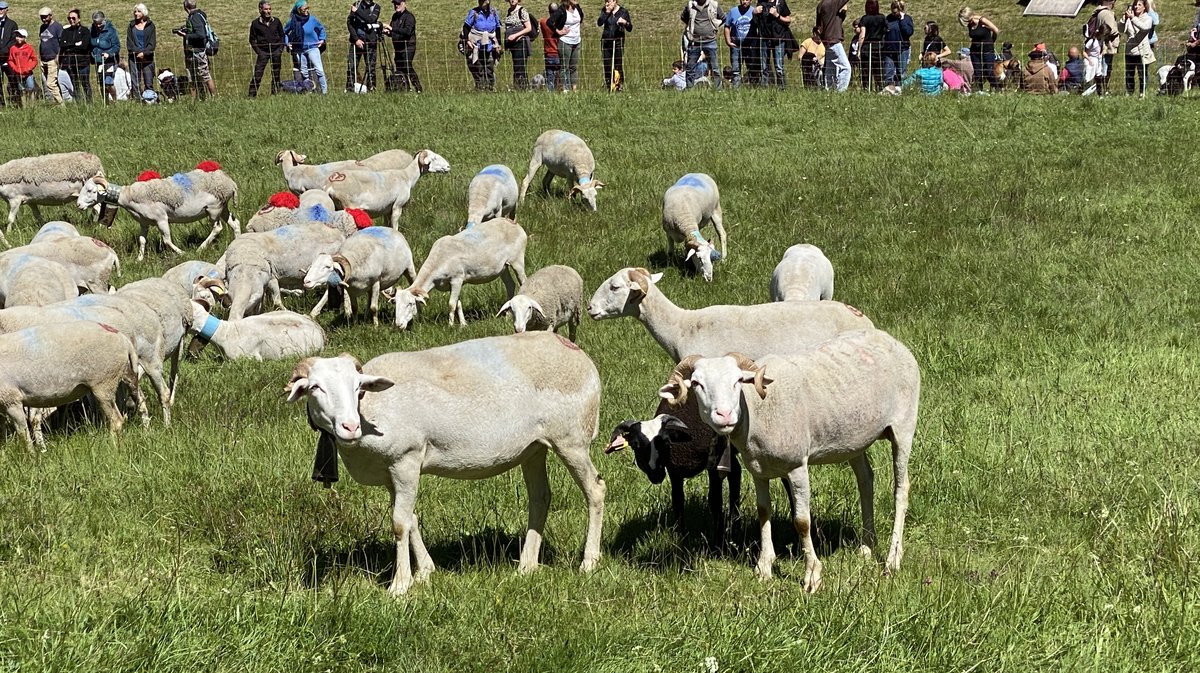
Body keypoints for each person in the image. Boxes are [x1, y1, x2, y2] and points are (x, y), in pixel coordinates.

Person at [175, 0, 216, 99]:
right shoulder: (196, 16)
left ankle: (215, 98)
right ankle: (197, 100)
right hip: (192, 52)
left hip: (198, 52)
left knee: (205, 76)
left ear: (185, 6)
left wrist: (185, 35)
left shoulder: (195, 17)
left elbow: (200, 35)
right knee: (192, 78)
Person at [284, 1, 327, 94]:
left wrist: (322, 39)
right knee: (304, 72)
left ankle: (324, 92)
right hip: (299, 49)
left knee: (319, 70)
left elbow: (321, 28)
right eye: (304, 9)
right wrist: (287, 43)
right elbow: (284, 32)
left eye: (307, 8)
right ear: (299, 10)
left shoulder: (312, 19)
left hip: (313, 48)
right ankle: (308, 91)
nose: (306, 11)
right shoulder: (293, 21)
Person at [460, 0, 501, 91]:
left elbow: (498, 29)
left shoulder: (494, 13)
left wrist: (499, 44)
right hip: (476, 45)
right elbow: (466, 27)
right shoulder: (474, 12)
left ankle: (490, 88)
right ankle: (480, 88)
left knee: (490, 67)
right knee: (478, 68)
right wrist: (467, 41)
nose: (481, 2)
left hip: (490, 45)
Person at [681, 0, 722, 88]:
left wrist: (714, 27)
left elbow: (722, 18)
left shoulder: (714, 5)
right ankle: (689, 89)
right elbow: (684, 18)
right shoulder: (690, 5)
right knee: (690, 67)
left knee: (715, 67)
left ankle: (718, 89)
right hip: (694, 42)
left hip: (710, 41)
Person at [384, 0, 421, 92]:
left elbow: (407, 32)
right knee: (399, 68)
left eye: (398, 3)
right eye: (395, 4)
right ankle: (406, 88)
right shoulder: (395, 16)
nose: (396, 6)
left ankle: (418, 88)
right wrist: (387, 32)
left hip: (408, 46)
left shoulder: (409, 17)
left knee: (407, 65)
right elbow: (394, 32)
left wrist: (392, 29)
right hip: (398, 47)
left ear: (404, 3)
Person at [248, 0, 284, 96]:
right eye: (266, 9)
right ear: (260, 10)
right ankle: (251, 96)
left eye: (269, 9)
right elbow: (252, 39)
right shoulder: (255, 23)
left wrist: (280, 49)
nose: (268, 11)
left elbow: (282, 35)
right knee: (257, 75)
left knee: (276, 74)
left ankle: (275, 94)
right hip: (263, 52)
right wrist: (258, 52)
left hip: (276, 50)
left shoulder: (276, 21)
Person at [959, 7, 998, 92]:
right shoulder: (969, 24)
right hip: (975, 51)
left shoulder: (982, 20)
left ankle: (997, 88)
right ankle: (979, 91)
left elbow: (995, 30)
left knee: (989, 71)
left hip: (987, 50)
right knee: (977, 72)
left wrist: (992, 41)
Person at [1120, 0, 1154, 97]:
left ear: (1144, 7)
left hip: (1142, 50)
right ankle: (1129, 93)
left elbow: (1144, 28)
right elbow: (1120, 29)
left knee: (1142, 74)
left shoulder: (1148, 18)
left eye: (1139, 5)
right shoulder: (1130, 18)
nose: (1136, 7)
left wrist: (1133, 18)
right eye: (1135, 5)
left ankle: (1142, 93)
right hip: (1129, 50)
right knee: (1129, 74)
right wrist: (1124, 19)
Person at [346, 0, 381, 92]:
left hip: (370, 42)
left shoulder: (376, 7)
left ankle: (371, 89)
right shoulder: (356, 4)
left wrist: (357, 11)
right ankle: (350, 88)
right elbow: (350, 23)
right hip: (356, 42)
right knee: (351, 66)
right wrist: (356, 39)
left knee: (370, 68)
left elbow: (371, 20)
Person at [755, 0, 791, 88]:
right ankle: (764, 89)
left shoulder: (780, 2)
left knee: (779, 67)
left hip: (778, 38)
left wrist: (777, 15)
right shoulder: (760, 2)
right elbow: (756, 22)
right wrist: (754, 13)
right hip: (764, 38)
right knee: (764, 67)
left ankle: (782, 89)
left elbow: (788, 20)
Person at [597, 0, 630, 91]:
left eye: (609, 1)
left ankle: (618, 85)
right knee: (607, 64)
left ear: (615, 1)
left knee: (618, 64)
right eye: (606, 1)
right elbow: (599, 23)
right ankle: (609, 85)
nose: (607, 3)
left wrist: (625, 23)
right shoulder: (604, 10)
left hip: (618, 41)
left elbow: (630, 28)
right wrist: (607, 12)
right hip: (606, 41)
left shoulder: (623, 12)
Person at [816, 0, 849, 91]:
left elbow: (822, 24)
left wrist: (843, 14)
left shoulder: (821, 5)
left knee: (830, 70)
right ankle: (841, 92)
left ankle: (829, 92)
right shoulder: (832, 2)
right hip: (834, 40)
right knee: (846, 68)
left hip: (826, 40)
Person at [60, 8, 90, 101]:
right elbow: (62, 45)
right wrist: (75, 44)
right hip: (71, 63)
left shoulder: (85, 31)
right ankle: (79, 104)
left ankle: (89, 103)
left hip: (83, 63)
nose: (71, 20)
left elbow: (84, 46)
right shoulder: (66, 31)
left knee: (85, 84)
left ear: (79, 19)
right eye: (69, 18)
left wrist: (70, 47)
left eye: (73, 18)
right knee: (75, 85)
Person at [854, 0, 886, 90]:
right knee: (878, 70)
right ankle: (879, 88)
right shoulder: (882, 17)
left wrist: (859, 49)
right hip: (879, 46)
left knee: (865, 70)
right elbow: (886, 30)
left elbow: (862, 34)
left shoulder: (865, 18)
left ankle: (866, 88)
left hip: (867, 47)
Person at [552, 0, 582, 91]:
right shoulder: (562, 10)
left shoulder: (577, 8)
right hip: (565, 41)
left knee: (574, 67)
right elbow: (550, 22)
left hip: (576, 41)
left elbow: (581, 19)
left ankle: (574, 89)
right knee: (564, 67)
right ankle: (565, 89)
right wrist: (559, 31)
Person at [504, 0, 534, 90]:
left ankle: (522, 88)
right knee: (516, 66)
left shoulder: (522, 11)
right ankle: (519, 86)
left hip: (521, 42)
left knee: (520, 67)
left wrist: (516, 35)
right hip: (512, 44)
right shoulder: (509, 11)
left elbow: (528, 28)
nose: (513, 0)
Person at [90, 10, 119, 103]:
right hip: (98, 61)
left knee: (108, 82)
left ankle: (114, 100)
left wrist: (109, 53)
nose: (98, 26)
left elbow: (116, 46)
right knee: (102, 83)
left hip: (109, 61)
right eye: (96, 23)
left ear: (103, 20)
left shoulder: (111, 31)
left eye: (99, 23)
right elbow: (91, 44)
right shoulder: (92, 30)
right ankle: (105, 102)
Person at [126, 4, 154, 97]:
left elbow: (152, 43)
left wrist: (144, 53)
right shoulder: (131, 26)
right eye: (135, 11)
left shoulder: (151, 26)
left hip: (148, 57)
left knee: (148, 80)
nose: (136, 13)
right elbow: (129, 43)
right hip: (134, 56)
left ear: (144, 12)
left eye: (138, 11)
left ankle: (149, 99)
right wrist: (138, 52)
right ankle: (137, 99)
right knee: (135, 81)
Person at [37, 7, 63, 104]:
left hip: (53, 59)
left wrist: (58, 56)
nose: (43, 19)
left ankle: (61, 103)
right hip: (43, 59)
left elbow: (61, 43)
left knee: (51, 83)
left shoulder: (57, 27)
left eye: (45, 17)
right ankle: (51, 102)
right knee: (45, 83)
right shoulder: (42, 27)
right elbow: (42, 42)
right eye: (42, 17)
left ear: (50, 16)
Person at [1092, 0, 1119, 95]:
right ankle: (1104, 90)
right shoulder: (1108, 14)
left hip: (1101, 44)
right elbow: (1110, 30)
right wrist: (1117, 29)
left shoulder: (1099, 12)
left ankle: (1100, 89)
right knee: (1106, 69)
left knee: (1102, 67)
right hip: (1107, 46)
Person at [722, 0, 751, 86]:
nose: (744, 2)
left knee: (752, 68)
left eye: (746, 0)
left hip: (749, 46)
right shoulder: (733, 11)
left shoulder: (753, 11)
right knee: (736, 69)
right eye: (742, 0)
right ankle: (736, 89)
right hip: (736, 45)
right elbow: (727, 26)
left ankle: (752, 88)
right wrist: (728, 41)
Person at [883, 1, 912, 84]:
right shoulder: (888, 18)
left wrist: (902, 20)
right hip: (889, 49)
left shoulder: (907, 19)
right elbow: (884, 30)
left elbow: (908, 32)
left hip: (902, 49)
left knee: (901, 72)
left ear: (901, 10)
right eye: (892, 11)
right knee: (888, 72)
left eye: (895, 12)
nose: (893, 13)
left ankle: (900, 89)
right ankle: (888, 89)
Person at [7, 28, 35, 106]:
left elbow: (34, 60)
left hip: (28, 73)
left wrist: (29, 68)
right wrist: (15, 68)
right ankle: (24, 106)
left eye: (21, 36)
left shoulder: (29, 48)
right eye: (17, 36)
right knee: (22, 90)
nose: (18, 38)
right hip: (18, 73)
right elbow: (10, 60)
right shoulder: (13, 48)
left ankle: (32, 106)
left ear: (24, 37)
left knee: (30, 89)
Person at [0, 1, 20, 107]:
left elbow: (13, 41)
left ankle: (16, 103)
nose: (0, 11)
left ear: (7, 9)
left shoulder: (12, 24)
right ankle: (1, 104)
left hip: (8, 58)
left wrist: (3, 52)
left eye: (2, 9)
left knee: (13, 80)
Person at [539, 2, 560, 91]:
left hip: (549, 53)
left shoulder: (544, 23)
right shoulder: (561, 25)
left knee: (550, 75)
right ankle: (560, 90)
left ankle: (550, 93)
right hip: (559, 53)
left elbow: (541, 20)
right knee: (560, 76)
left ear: (549, 11)